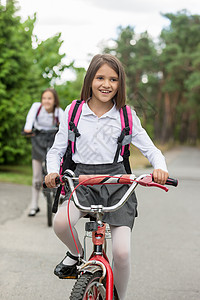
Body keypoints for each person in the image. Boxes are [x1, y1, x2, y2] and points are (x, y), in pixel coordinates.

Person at [45, 54, 169, 300]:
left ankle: (119, 296)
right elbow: (57, 150)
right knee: (61, 223)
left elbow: (151, 150)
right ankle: (75, 253)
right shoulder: (74, 111)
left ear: (120, 84)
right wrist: (52, 171)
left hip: (117, 183)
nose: (106, 84)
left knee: (122, 252)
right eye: (100, 77)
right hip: (81, 181)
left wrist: (160, 167)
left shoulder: (126, 115)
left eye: (113, 79)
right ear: (90, 79)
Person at [24, 88, 64, 217]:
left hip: (53, 139)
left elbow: (65, 125)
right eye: (44, 98)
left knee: (54, 167)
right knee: (36, 175)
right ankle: (34, 205)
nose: (46, 101)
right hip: (38, 138)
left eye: (49, 98)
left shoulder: (58, 112)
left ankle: (58, 195)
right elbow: (30, 119)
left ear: (54, 101)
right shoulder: (37, 107)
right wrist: (28, 128)